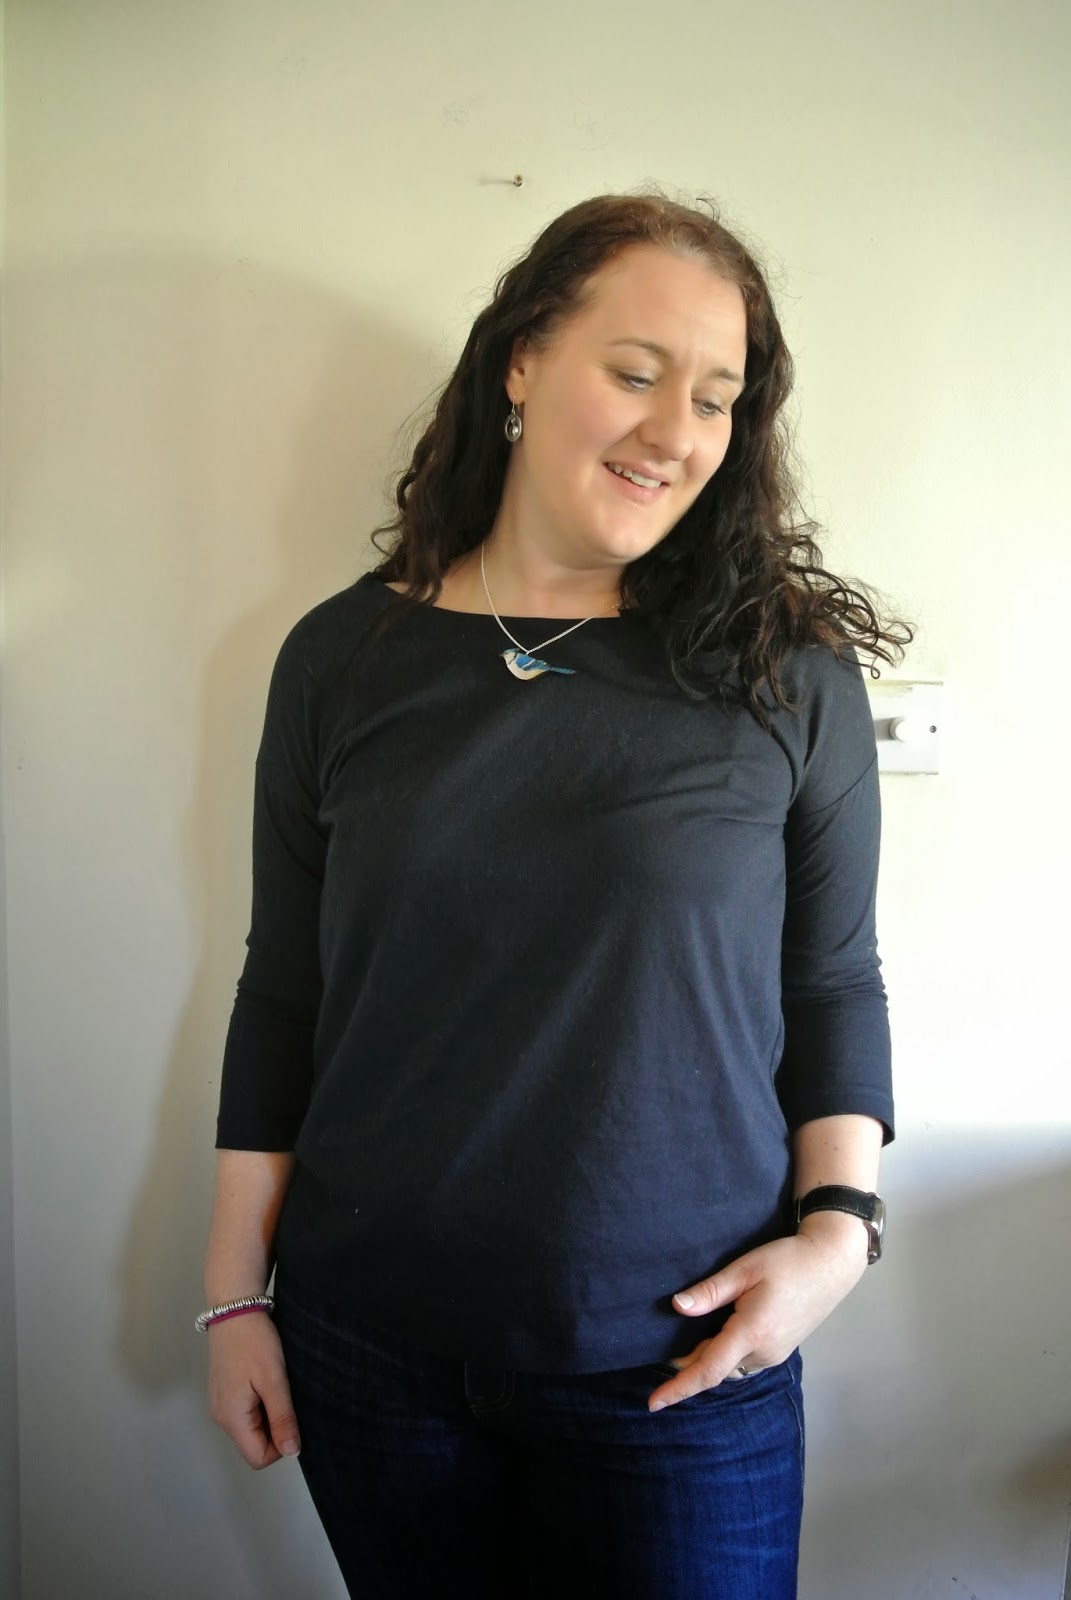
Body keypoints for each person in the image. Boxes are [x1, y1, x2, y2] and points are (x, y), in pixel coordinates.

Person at [201, 188, 909, 1600]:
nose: (675, 432)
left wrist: (840, 1233)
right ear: (521, 360)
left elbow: (831, 978)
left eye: (714, 399)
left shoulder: (785, 677)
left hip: (680, 1366)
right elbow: (286, 988)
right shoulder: (341, 660)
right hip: (373, 1349)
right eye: (636, 373)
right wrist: (232, 1295)